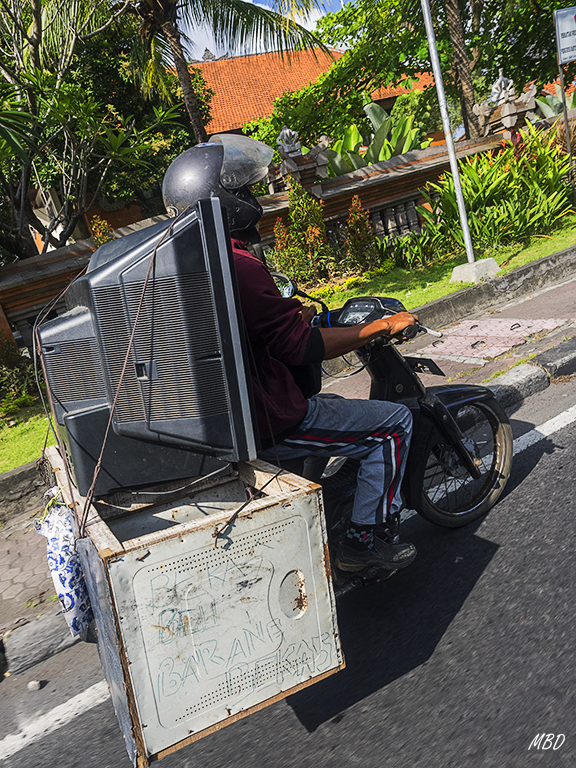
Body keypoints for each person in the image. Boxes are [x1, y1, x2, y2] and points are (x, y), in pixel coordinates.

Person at [163, 134, 417, 572]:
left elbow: (255, 326)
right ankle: (361, 543)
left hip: (234, 414)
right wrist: (380, 326)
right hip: (272, 419)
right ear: (223, 202)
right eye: (240, 190)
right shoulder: (238, 264)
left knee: (335, 405)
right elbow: (300, 347)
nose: (250, 196)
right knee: (394, 424)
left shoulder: (193, 260)